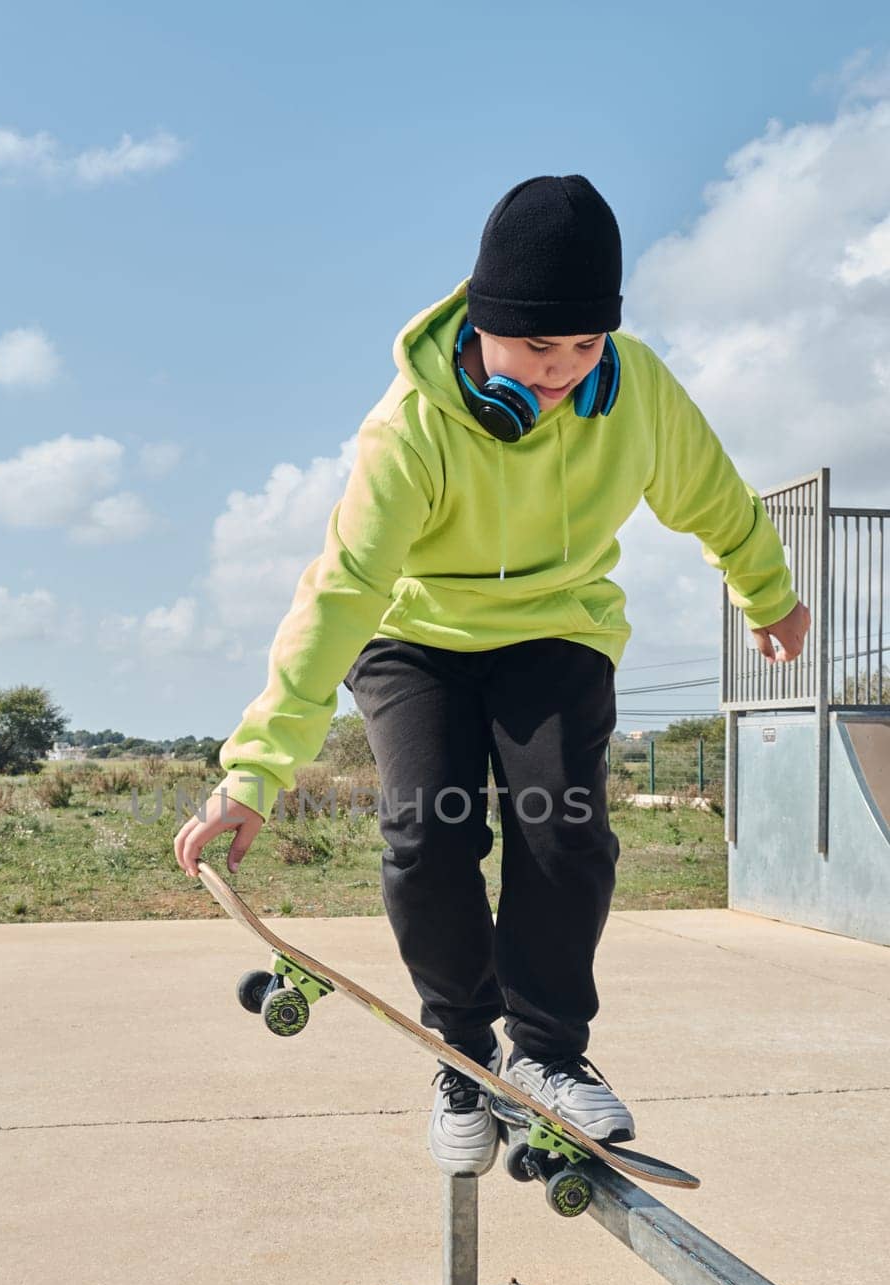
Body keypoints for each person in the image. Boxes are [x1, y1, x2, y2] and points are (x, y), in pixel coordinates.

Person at [174, 174, 810, 1177]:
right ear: (481, 325)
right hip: (412, 633)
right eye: (536, 349)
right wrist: (254, 772)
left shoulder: (633, 389)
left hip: (557, 627)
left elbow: (711, 497)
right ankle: (462, 1056)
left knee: (560, 824)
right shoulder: (410, 430)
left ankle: (548, 1056)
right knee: (427, 827)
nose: (559, 374)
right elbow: (339, 592)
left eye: (582, 347)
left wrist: (764, 591)